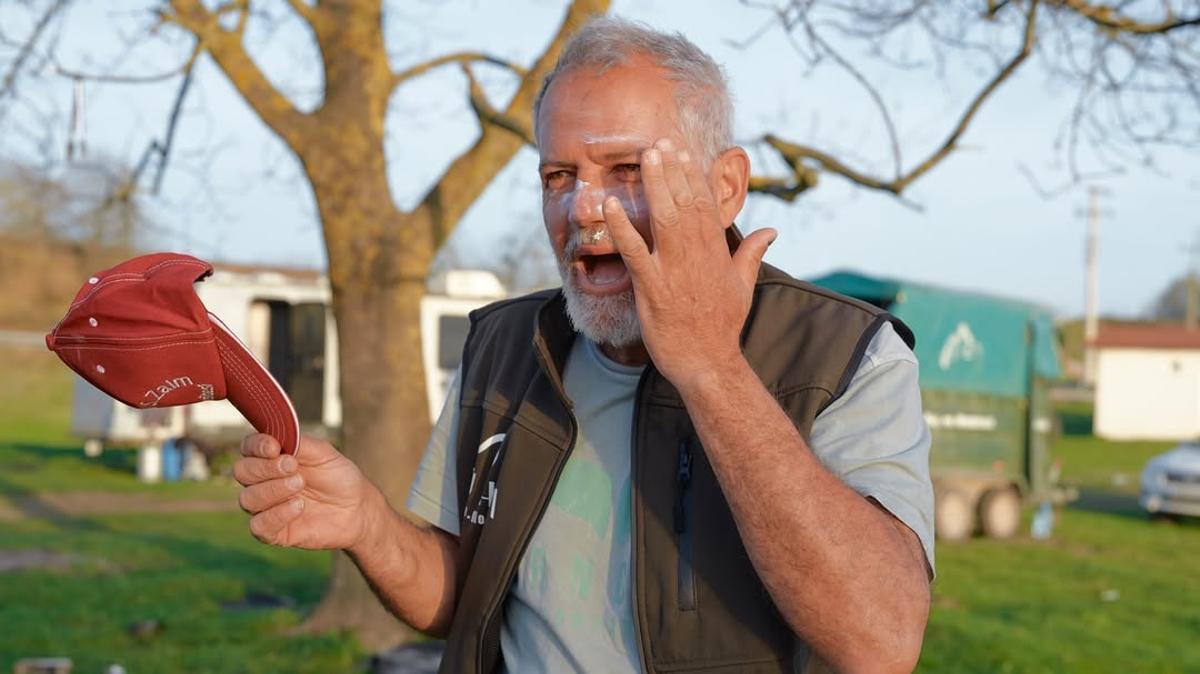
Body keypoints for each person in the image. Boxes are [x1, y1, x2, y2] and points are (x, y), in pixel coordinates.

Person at [233, 17, 934, 674]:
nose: (583, 208)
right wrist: (367, 525)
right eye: (559, 176)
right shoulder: (503, 346)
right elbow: (463, 599)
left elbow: (880, 640)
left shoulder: (846, 353)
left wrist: (712, 367)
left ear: (725, 188)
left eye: (627, 170)